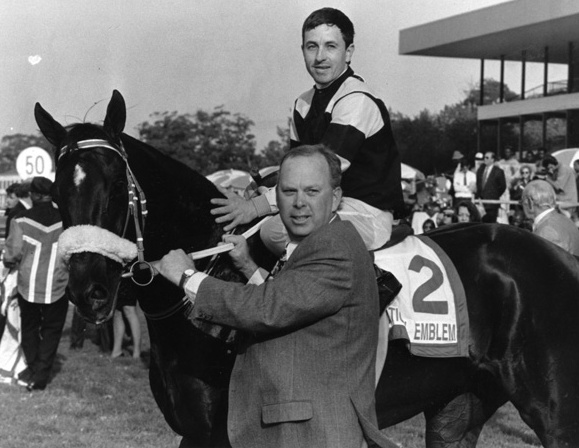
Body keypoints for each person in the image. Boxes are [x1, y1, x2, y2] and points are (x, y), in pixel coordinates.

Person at [155, 145, 395, 448]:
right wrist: (248, 266)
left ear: (335, 198)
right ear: (275, 196)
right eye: (288, 191)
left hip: (314, 435)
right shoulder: (318, 242)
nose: (298, 203)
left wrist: (188, 277)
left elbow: (266, 309)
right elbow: (291, 300)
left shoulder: (335, 249)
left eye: (311, 191)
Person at [210, 7, 403, 258]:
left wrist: (254, 207)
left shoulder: (356, 100)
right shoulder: (303, 104)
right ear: (302, 50)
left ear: (349, 52)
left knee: (274, 231)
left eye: (331, 46)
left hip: (366, 213)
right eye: (312, 47)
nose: (320, 56)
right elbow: (295, 169)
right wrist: (261, 183)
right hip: (323, 203)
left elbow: (317, 172)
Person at [3, 177, 69, 391]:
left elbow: (11, 256)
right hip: (58, 286)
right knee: (52, 331)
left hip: (28, 285)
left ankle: (33, 368)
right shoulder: (66, 221)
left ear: (35, 195)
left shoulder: (20, 221)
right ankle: (41, 376)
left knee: (29, 328)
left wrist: (8, 260)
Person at [521, 180, 579, 255]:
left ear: (530, 203)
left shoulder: (546, 230)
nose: (522, 206)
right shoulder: (566, 220)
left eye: (521, 202)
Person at [111, 279, 141, 359]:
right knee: (117, 312)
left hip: (128, 276)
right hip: (117, 277)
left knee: (129, 310)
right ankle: (116, 351)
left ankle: (136, 353)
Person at [475, 151, 506, 223]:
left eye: (487, 157)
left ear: (492, 160)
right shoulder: (480, 170)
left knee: (491, 224)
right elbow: (478, 184)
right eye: (484, 157)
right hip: (481, 203)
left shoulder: (498, 171)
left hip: (492, 204)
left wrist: (494, 195)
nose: (484, 159)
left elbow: (502, 187)